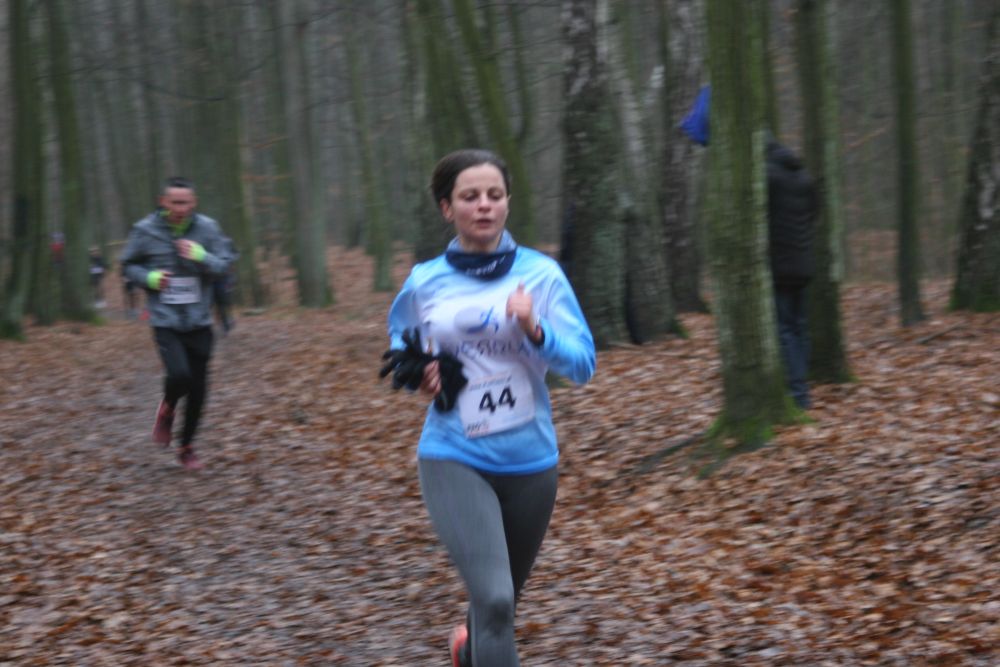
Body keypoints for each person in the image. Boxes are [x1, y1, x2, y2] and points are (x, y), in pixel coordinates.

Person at [383, 149, 595, 666]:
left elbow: (583, 364)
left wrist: (535, 330)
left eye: (494, 195)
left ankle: (469, 652)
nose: (484, 205)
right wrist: (420, 373)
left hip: (532, 463)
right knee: (496, 600)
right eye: (470, 196)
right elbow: (401, 343)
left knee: (498, 608)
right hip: (454, 455)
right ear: (446, 207)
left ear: (507, 203)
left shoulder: (542, 275)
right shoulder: (425, 281)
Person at [120, 177, 232, 470]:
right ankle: (168, 408)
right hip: (165, 320)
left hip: (199, 320)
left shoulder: (208, 229)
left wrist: (202, 256)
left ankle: (186, 446)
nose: (181, 208)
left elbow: (224, 266)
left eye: (186, 202)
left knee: (198, 388)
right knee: (180, 375)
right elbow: (128, 265)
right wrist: (150, 278)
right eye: (175, 202)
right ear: (163, 202)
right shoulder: (145, 230)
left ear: (194, 203)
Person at [766, 139, 818, 409]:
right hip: (803, 262)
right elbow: (814, 215)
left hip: (780, 266)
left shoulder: (768, 177)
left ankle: (798, 393)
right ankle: (801, 386)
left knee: (785, 329)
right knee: (799, 327)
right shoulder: (804, 177)